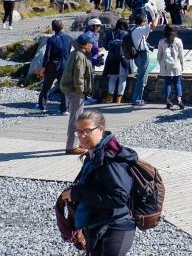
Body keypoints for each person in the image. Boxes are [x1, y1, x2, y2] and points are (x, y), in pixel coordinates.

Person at [63, 111, 137, 255]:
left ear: (101, 130)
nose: (82, 136)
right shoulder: (94, 155)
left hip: (114, 228)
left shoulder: (110, 160)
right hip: (101, 225)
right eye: (79, 131)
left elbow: (120, 198)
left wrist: (77, 193)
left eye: (87, 131)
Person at [60, 35, 94, 155]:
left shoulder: (76, 53)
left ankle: (76, 144)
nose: (92, 45)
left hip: (71, 89)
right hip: (75, 91)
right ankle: (71, 147)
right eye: (90, 43)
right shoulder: (80, 56)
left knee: (77, 117)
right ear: (85, 44)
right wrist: (81, 90)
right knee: (75, 119)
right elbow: (78, 75)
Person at [38, 19, 72, 113]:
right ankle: (64, 109)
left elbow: (47, 54)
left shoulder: (52, 39)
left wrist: (43, 66)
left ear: (53, 28)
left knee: (46, 87)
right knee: (64, 87)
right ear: (62, 27)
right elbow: (68, 51)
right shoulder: (68, 38)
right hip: (64, 64)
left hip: (52, 65)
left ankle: (42, 107)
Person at [102, 20, 133, 103]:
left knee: (112, 78)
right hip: (124, 58)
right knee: (123, 79)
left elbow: (105, 46)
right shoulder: (127, 33)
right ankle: (119, 98)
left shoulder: (110, 33)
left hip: (112, 58)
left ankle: (109, 98)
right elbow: (131, 46)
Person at [130, 14, 156, 107]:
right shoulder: (138, 29)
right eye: (144, 22)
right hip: (142, 55)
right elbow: (153, 26)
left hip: (138, 55)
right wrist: (157, 17)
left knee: (143, 76)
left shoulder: (133, 29)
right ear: (142, 22)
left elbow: (144, 38)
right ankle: (137, 99)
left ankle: (138, 99)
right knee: (141, 77)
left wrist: (147, 28)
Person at [157, 25, 185, 110]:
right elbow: (181, 55)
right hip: (176, 65)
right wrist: (182, 64)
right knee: (177, 82)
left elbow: (159, 56)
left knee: (167, 83)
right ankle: (179, 100)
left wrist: (160, 63)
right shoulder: (178, 41)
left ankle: (168, 100)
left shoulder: (162, 41)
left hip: (166, 65)